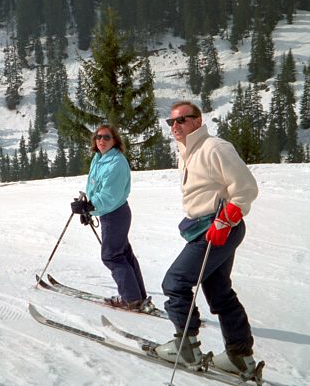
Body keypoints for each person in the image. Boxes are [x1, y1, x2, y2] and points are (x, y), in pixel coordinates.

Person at [153, 101, 259, 380]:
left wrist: (225, 221)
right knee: (218, 289)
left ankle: (186, 347)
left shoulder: (215, 147)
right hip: (206, 226)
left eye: (182, 120)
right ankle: (239, 357)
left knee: (174, 282)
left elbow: (246, 187)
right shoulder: (187, 151)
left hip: (218, 226)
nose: (175, 126)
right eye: (171, 122)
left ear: (197, 122)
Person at [70, 125, 155, 313]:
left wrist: (89, 206)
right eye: (98, 137)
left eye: (106, 137)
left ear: (115, 140)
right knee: (123, 254)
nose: (101, 140)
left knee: (112, 256)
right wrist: (88, 210)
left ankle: (131, 299)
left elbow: (110, 195)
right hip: (111, 212)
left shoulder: (116, 163)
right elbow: (96, 187)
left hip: (115, 213)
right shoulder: (99, 158)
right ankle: (137, 296)